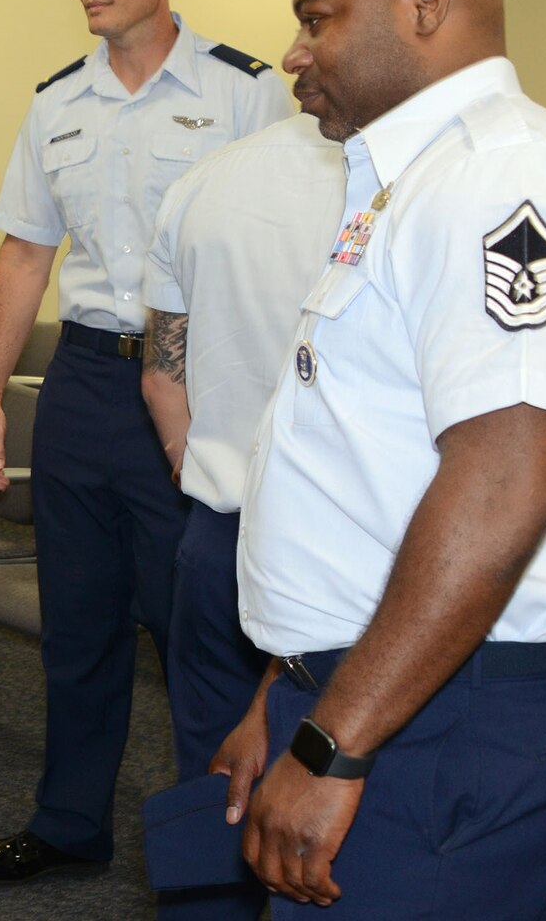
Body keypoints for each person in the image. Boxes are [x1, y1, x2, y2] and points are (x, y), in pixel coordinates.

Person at [228, 0, 546, 918]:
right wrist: (286, 690)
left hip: (446, 715)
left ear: (423, 6)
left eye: (316, 17)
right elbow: (361, 472)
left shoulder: (498, 180)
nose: (290, 51)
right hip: (382, 685)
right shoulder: (407, 181)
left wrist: (331, 743)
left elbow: (504, 483)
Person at [0, 0, 293, 885]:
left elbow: (281, 252)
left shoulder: (244, 93)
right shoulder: (58, 101)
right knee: (79, 624)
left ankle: (220, 854)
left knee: (195, 633)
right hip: (80, 386)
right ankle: (68, 827)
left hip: (192, 387)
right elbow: (23, 255)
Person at [140, 111, 344, 918]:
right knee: (335, 797)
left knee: (214, 777)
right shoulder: (408, 185)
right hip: (347, 553)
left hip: (220, 533)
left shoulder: (204, 181)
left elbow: (162, 377)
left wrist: (209, 475)